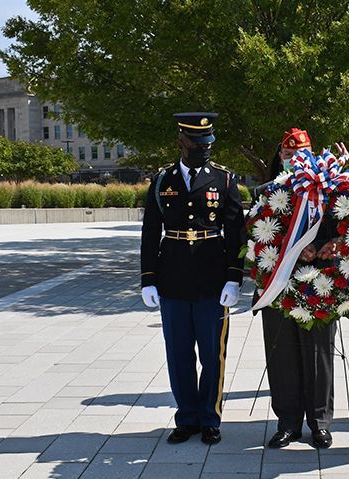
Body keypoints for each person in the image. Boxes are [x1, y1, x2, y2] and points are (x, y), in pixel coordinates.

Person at [140, 112, 247, 445]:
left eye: (207, 143)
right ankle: (186, 417)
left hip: (213, 278)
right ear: (181, 142)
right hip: (172, 277)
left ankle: (210, 417)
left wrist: (234, 277)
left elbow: (237, 233)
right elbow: (149, 232)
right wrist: (148, 279)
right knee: (179, 352)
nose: (203, 149)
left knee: (212, 353)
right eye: (196, 143)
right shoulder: (162, 180)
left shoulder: (224, 180)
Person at [257, 128, 337, 450]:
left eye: (301, 155)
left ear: (313, 157)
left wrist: (323, 245)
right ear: (280, 157)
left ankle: (320, 423)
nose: (294, 161)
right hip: (278, 286)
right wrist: (286, 250)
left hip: (319, 284)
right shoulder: (265, 192)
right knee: (282, 357)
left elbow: (343, 231)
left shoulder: (329, 193)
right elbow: (253, 239)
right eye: (289, 156)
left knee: (318, 355)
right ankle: (287, 423)